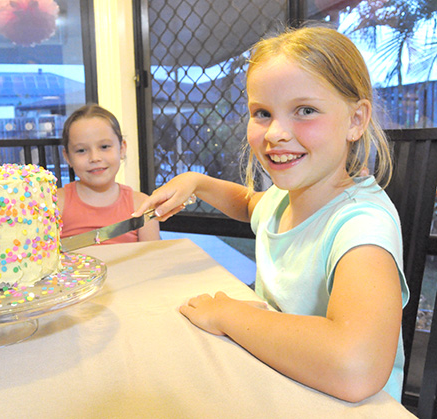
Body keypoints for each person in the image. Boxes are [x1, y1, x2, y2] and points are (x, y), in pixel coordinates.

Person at [133, 25, 409, 403]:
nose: (276, 132)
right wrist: (196, 182)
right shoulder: (284, 200)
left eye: (305, 110)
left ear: (356, 120)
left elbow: (356, 366)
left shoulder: (362, 226)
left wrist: (229, 315)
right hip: (281, 386)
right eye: (262, 113)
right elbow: (249, 204)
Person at [58, 104, 160, 243]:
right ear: (68, 157)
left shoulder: (142, 205)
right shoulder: (55, 203)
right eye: (81, 150)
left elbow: (153, 261)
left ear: (122, 148)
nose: (95, 158)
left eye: (104, 147)